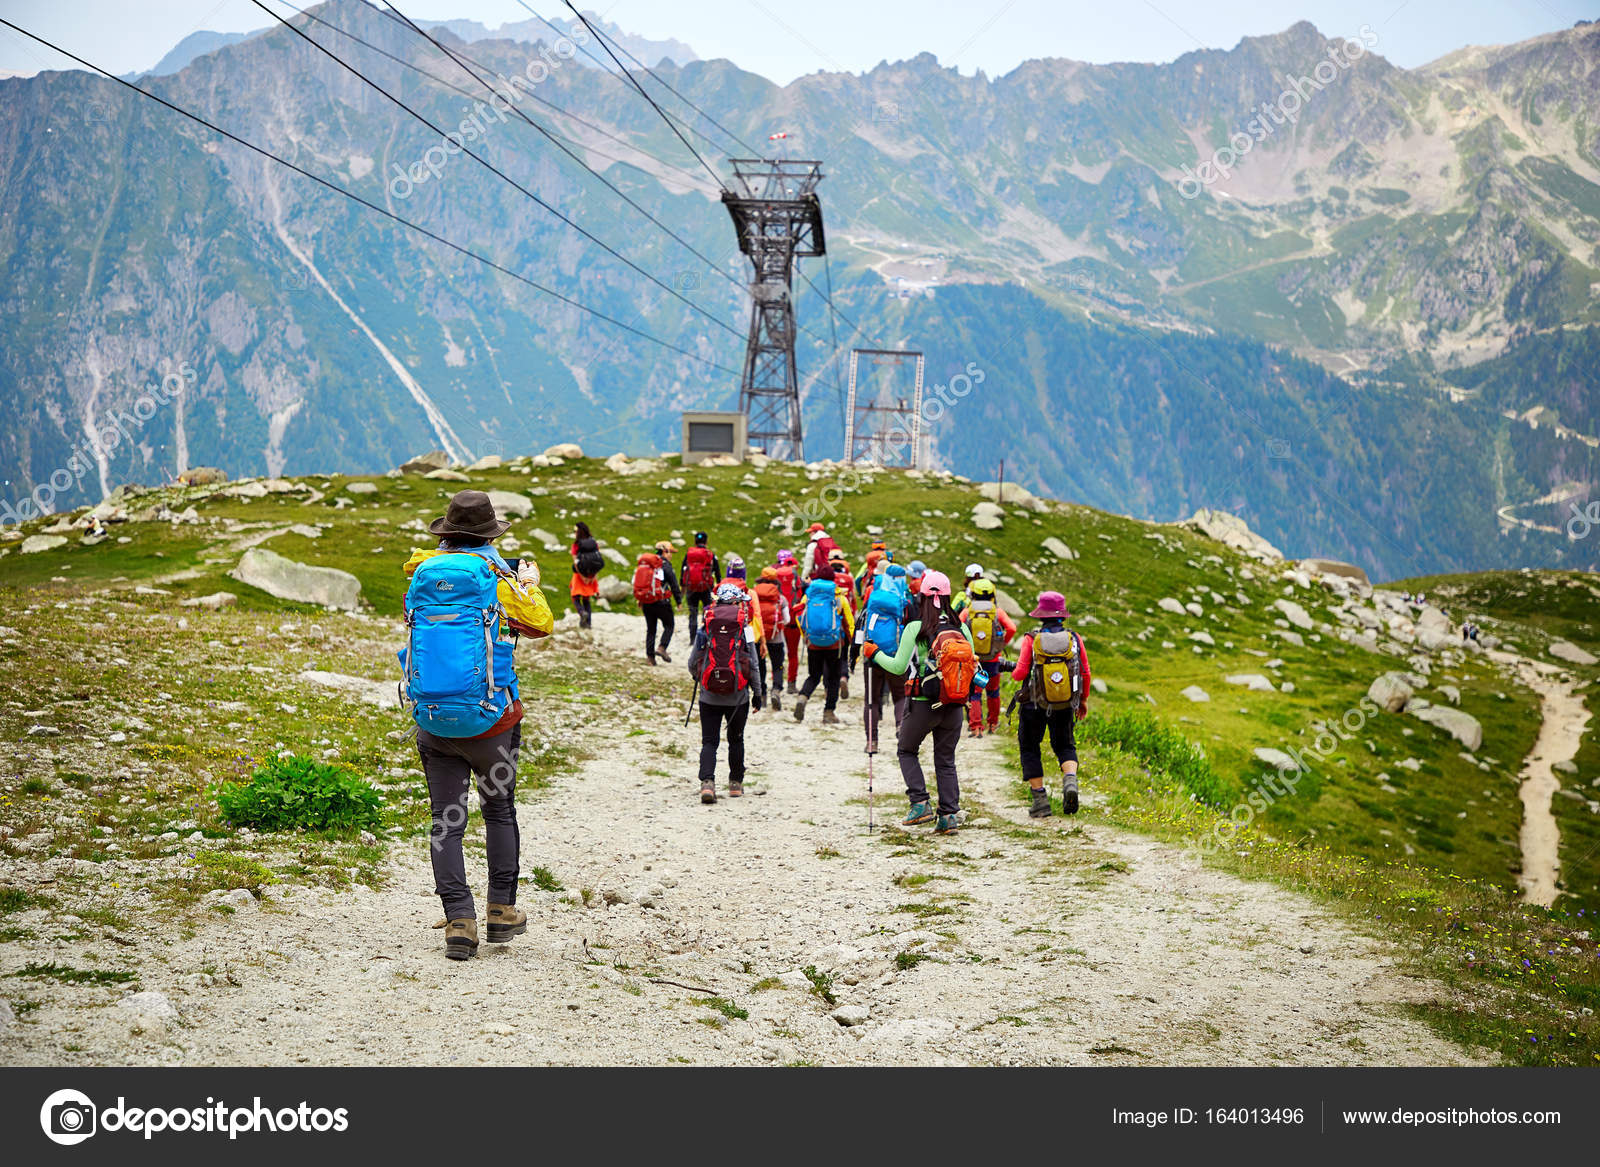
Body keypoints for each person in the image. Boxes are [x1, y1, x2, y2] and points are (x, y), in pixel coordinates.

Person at [402, 490, 554, 960]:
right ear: (490, 534)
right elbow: (541, 624)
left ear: (446, 534)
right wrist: (529, 583)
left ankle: (458, 921)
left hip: (434, 722)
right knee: (498, 811)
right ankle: (500, 912)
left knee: (445, 822)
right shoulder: (499, 579)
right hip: (494, 724)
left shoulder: (421, 574)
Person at [864, 569, 978, 835]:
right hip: (954, 703)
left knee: (906, 750)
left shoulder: (916, 628)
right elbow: (973, 663)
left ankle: (920, 803)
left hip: (922, 702)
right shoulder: (961, 627)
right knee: (946, 759)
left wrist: (874, 652)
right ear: (948, 596)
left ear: (922, 596)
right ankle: (948, 816)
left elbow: (898, 666)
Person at [1010, 591, 1091, 817]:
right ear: (1062, 615)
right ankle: (1070, 781)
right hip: (1065, 705)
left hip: (1033, 706)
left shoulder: (1031, 639)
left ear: (1041, 615)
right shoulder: (1074, 639)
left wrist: (1013, 669)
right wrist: (1082, 700)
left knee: (1030, 747)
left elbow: (1019, 675)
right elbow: (1085, 672)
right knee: (1065, 745)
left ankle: (1040, 802)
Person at [688, 582, 764, 802]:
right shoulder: (745, 627)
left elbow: (693, 661)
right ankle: (735, 784)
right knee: (736, 740)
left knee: (709, 741)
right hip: (738, 695)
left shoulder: (706, 626)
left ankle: (707, 784)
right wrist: (757, 693)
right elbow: (754, 663)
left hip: (709, 694)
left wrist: (702, 679)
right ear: (736, 602)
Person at [793, 561, 855, 725]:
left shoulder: (809, 596)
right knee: (833, 678)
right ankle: (828, 713)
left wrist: (805, 635)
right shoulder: (839, 597)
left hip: (813, 643)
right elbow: (849, 622)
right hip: (834, 644)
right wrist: (852, 642)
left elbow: (799, 615)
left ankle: (803, 697)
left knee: (814, 675)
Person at [959, 574, 1015, 737]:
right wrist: (1000, 644)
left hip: (973, 660)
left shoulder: (967, 611)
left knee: (975, 693)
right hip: (993, 659)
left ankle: (976, 727)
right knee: (993, 692)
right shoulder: (997, 612)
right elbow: (1011, 628)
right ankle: (992, 724)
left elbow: (958, 628)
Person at [634, 539, 682, 664]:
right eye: (670, 552)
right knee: (669, 625)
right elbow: (674, 584)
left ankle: (650, 658)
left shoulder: (648, 566)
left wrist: (640, 599)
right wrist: (679, 601)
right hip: (661, 602)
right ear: (664, 551)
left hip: (647, 602)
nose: (671, 555)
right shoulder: (665, 566)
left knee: (651, 629)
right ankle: (662, 647)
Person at [753, 566, 791, 713]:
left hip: (758, 637)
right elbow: (787, 620)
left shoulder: (754, 595)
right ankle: (776, 689)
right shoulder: (781, 598)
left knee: (759, 665)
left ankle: (761, 694)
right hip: (776, 637)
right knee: (777, 665)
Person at [774, 549, 803, 694]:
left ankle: (776, 685)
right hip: (793, 622)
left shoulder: (775, 577)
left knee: (777, 655)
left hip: (778, 622)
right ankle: (791, 684)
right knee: (792, 655)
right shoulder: (798, 579)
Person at [681, 531, 720, 629]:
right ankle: (704, 636)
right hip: (706, 587)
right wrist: (719, 585)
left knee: (693, 612)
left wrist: (683, 585)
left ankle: (692, 639)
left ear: (695, 542)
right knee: (707, 611)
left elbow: (683, 569)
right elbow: (717, 571)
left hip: (691, 587)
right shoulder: (710, 554)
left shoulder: (689, 554)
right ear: (706, 542)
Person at [569, 521, 602, 629]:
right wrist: (594, 576)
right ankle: (588, 624)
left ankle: (582, 613)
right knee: (586, 599)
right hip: (592, 576)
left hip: (579, 576)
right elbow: (598, 559)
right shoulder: (593, 542)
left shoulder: (576, 544)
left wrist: (582, 576)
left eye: (575, 531)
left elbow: (576, 562)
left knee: (575, 596)